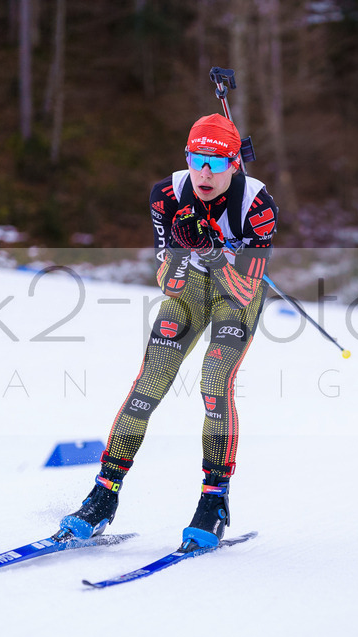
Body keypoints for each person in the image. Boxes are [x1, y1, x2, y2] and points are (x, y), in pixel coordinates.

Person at [59, 113, 277, 549]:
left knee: (214, 381)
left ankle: (214, 502)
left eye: (217, 163)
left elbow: (244, 290)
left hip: (235, 292)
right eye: (197, 160)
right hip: (189, 289)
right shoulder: (167, 195)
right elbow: (169, 284)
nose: (205, 173)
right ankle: (103, 496)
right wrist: (181, 251)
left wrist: (212, 251)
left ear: (235, 164)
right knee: (149, 384)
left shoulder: (257, 207)